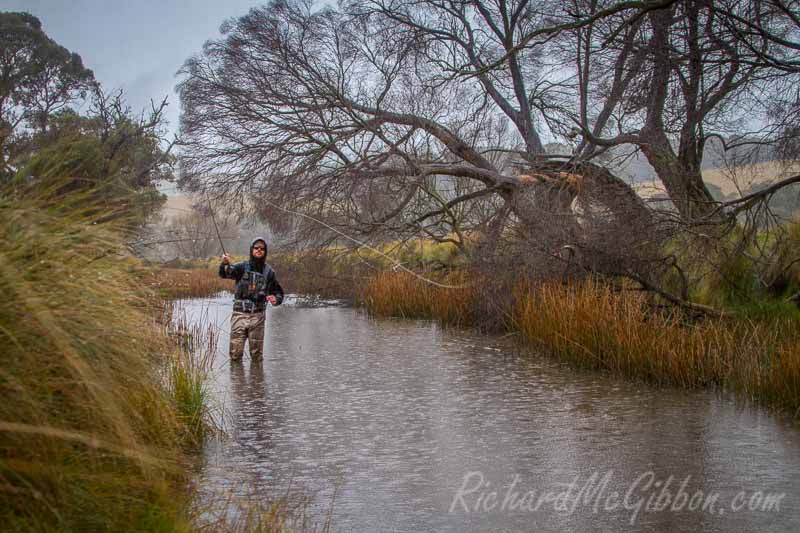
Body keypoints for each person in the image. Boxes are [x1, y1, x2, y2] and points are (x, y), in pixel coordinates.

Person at [219, 237, 284, 361]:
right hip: (239, 315)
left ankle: (257, 380)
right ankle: (237, 380)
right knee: (235, 355)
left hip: (258, 317)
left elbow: (279, 292)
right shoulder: (241, 267)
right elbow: (225, 274)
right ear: (251, 250)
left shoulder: (269, 272)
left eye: (262, 249)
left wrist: (276, 299)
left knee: (257, 356)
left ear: (265, 252)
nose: (259, 250)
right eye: (256, 248)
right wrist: (225, 263)